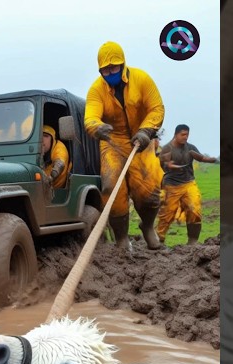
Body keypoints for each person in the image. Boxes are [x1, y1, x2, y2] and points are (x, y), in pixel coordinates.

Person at [84, 41, 166, 250]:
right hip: (113, 142)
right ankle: (121, 239)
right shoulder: (96, 90)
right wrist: (98, 128)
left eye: (113, 68)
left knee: (149, 191)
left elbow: (156, 108)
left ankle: (147, 226)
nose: (109, 72)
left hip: (141, 140)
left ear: (123, 64)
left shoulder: (142, 79)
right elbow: (90, 118)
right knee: (112, 188)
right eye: (105, 69)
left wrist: (147, 130)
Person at [157, 124, 218, 244]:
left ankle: (192, 241)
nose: (185, 137)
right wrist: (168, 165)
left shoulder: (190, 147)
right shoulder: (167, 148)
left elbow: (201, 158)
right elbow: (162, 165)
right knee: (167, 213)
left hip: (189, 183)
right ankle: (159, 240)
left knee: (194, 209)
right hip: (171, 185)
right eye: (183, 135)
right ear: (176, 134)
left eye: (187, 135)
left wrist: (213, 159)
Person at [41, 124, 70, 191]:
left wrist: (50, 178)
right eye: (39, 136)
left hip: (55, 190)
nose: (42, 139)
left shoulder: (59, 148)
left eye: (45, 136)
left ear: (52, 139)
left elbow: (60, 164)